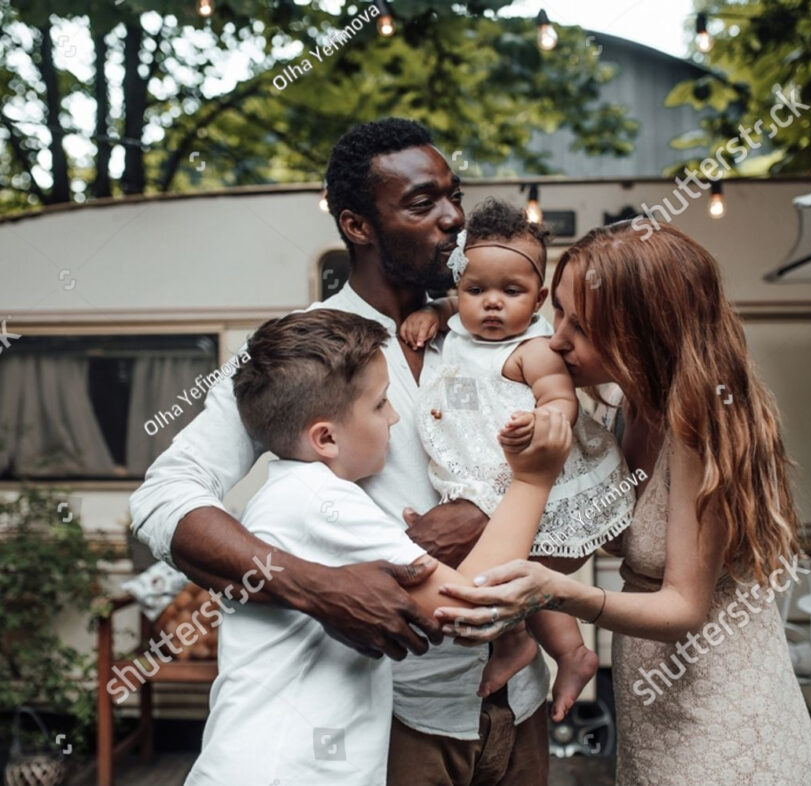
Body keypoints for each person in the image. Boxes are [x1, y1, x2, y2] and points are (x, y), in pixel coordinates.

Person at [129, 118, 554, 786]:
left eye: (454, 195)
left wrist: (487, 513)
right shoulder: (304, 354)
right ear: (357, 225)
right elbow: (162, 498)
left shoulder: (505, 330)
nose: (454, 219)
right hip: (395, 720)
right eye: (422, 204)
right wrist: (317, 587)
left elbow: (582, 474)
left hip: (519, 706)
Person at [432, 222, 811, 786]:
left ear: (645, 331)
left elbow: (683, 609)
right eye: (559, 314)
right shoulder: (620, 400)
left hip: (722, 708)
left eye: (582, 327)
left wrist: (553, 591)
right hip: (655, 704)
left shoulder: (702, 423)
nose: (558, 339)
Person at [185, 309, 569, 784]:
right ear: (325, 438)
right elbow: (474, 607)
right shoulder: (319, 498)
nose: (395, 415)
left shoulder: (294, 494)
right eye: (380, 404)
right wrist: (532, 479)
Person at [400, 198, 633, 719]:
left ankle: (534, 646)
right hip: (479, 477)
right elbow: (448, 312)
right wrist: (431, 312)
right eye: (475, 290)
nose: (491, 305)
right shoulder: (454, 329)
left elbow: (558, 397)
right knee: (517, 571)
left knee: (520, 571)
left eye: (511, 292)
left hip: (526, 470)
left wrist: (548, 416)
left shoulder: (536, 348)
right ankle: (568, 651)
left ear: (540, 298)